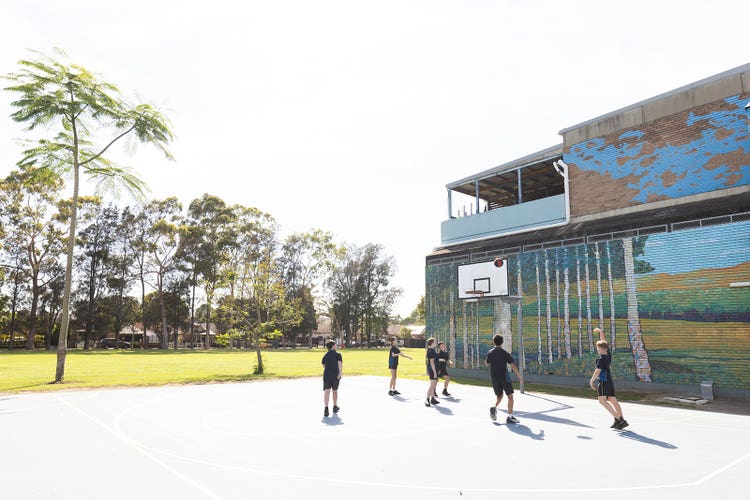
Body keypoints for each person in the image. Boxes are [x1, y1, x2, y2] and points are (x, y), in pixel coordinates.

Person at [589, 328, 628, 429]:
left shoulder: (601, 359)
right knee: (612, 399)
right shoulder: (608, 354)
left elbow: (597, 371)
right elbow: (604, 343)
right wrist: (601, 332)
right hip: (609, 380)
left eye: (598, 348)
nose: (597, 349)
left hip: (603, 381)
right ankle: (620, 419)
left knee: (602, 401)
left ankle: (619, 420)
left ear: (601, 349)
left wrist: (591, 380)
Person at [485, 334, 523, 423]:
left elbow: (486, 362)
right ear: (502, 342)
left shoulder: (490, 352)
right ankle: (510, 417)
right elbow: (512, 365)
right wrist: (519, 376)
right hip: (504, 378)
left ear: (493, 342)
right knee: (510, 397)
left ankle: (494, 407)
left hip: (494, 378)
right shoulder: (505, 353)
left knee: (499, 395)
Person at [322, 340, 342, 417]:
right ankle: (334, 406)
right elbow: (339, 364)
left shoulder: (325, 355)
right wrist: (340, 373)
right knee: (335, 391)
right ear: (333, 346)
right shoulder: (338, 354)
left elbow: (324, 365)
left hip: (327, 375)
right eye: (335, 345)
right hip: (335, 375)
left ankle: (326, 408)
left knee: (327, 391)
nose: (336, 346)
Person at [424, 337, 440, 407]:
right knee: (432, 385)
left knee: (433, 384)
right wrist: (435, 372)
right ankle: (427, 399)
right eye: (435, 341)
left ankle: (432, 398)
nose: (436, 342)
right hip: (432, 370)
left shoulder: (432, 350)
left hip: (434, 370)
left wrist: (437, 370)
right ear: (432, 343)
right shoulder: (431, 351)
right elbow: (432, 363)